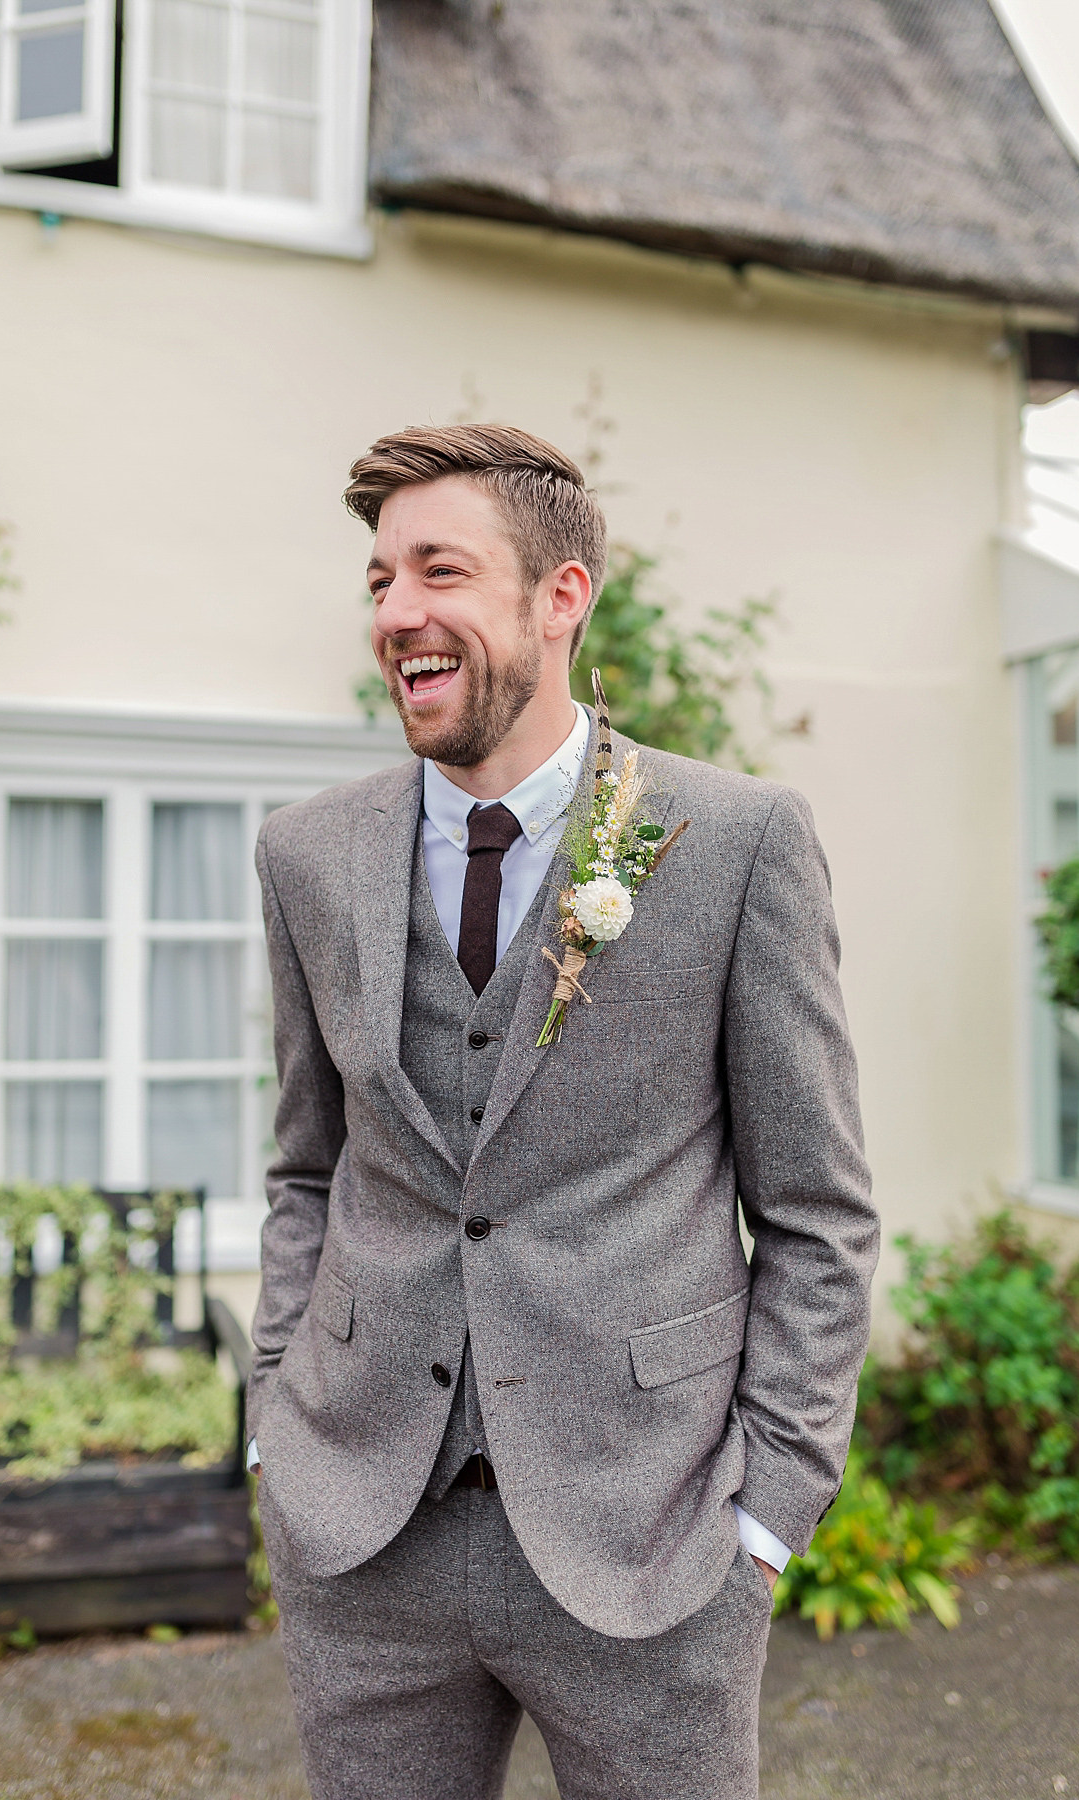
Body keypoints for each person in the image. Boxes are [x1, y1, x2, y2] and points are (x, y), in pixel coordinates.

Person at [247, 423, 878, 1800]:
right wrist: (271, 1422)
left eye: (438, 570)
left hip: (651, 1543)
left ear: (560, 597)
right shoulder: (305, 853)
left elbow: (818, 1216)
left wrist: (765, 1520)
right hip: (361, 1531)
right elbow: (307, 1167)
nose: (397, 610)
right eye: (377, 580)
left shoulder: (736, 843)